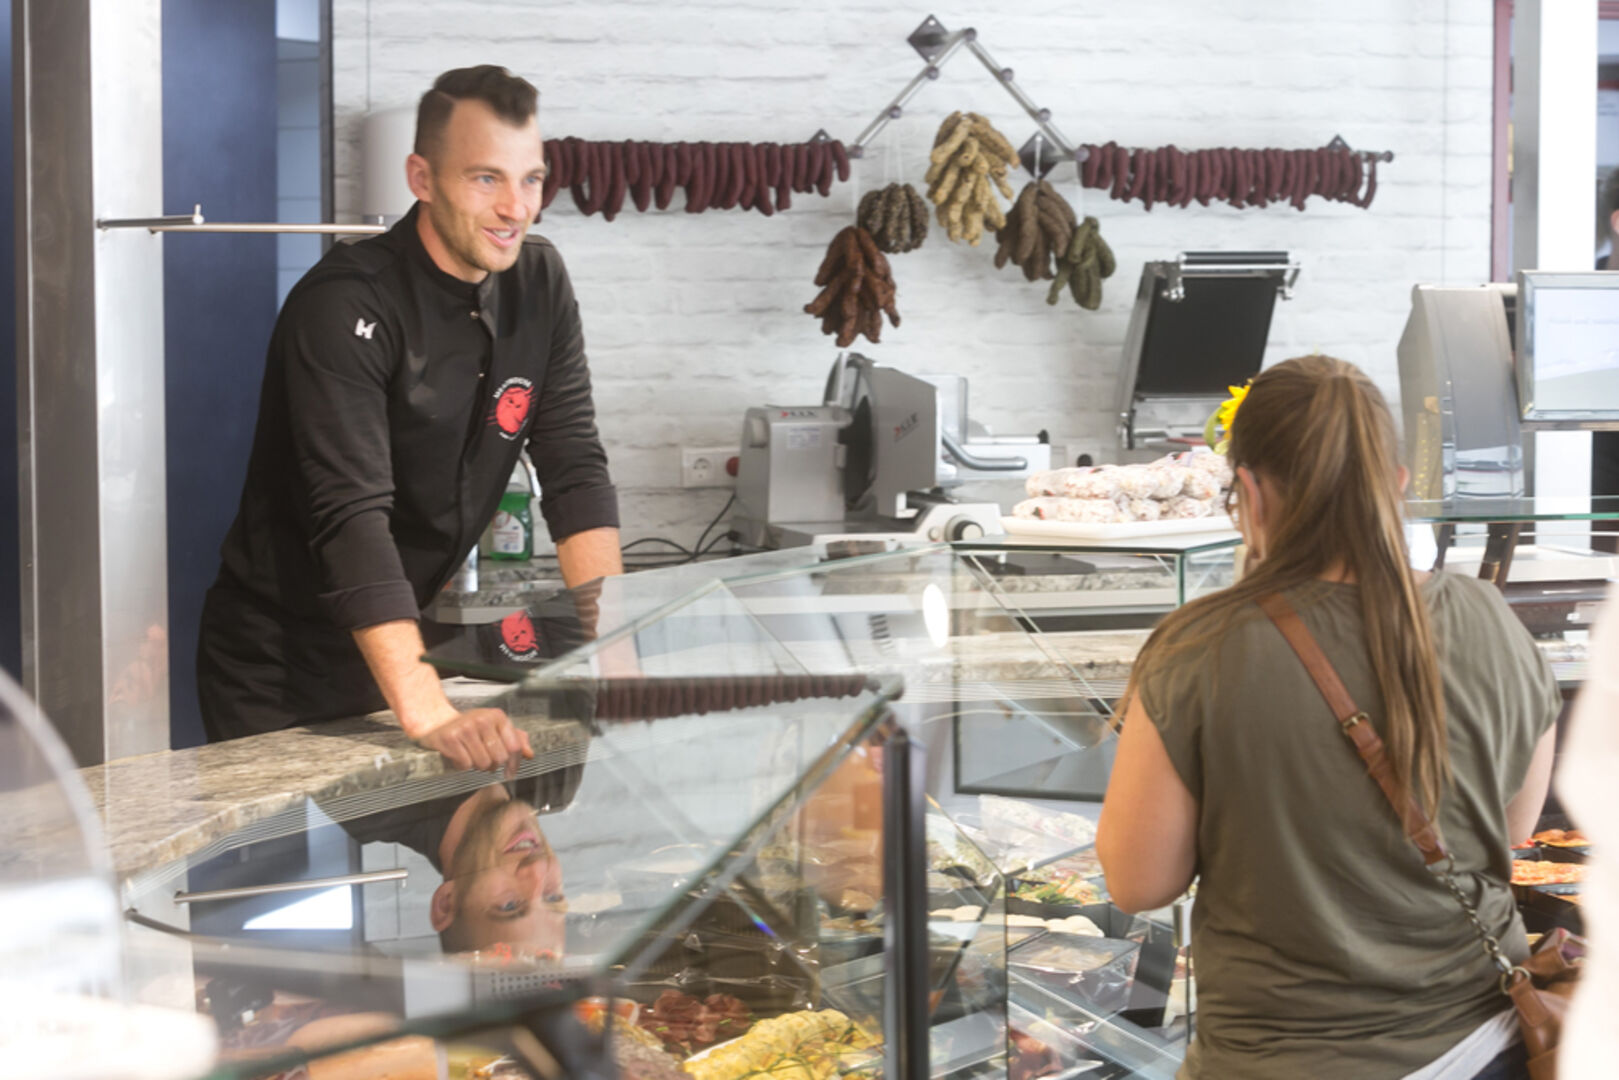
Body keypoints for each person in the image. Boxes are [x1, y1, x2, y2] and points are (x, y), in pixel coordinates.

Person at [1096, 356, 1560, 1079]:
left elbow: (1138, 882)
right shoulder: (1488, 616)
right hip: (1480, 1047)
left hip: (1274, 1057)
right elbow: (1510, 830)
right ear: (1396, 485)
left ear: (1247, 489)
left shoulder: (1197, 647)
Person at [197, 66, 622, 770]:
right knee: (301, 878)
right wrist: (426, 708)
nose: (515, 207)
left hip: (402, 644)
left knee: (479, 856)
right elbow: (351, 517)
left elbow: (575, 469)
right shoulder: (342, 306)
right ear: (420, 178)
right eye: (485, 178)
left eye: (531, 179)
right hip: (274, 668)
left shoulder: (540, 284)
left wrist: (618, 648)